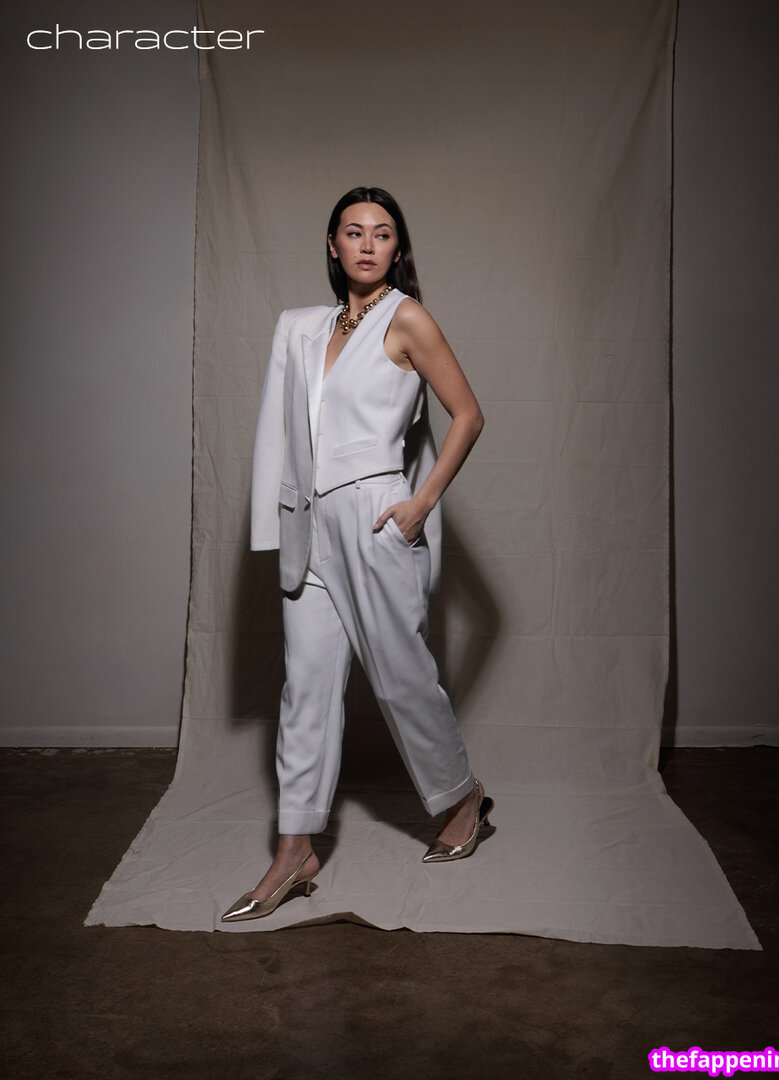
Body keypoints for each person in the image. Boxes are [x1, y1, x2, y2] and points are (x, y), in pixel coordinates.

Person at [221, 187, 493, 922]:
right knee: (304, 689)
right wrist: (276, 528)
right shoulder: (301, 327)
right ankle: (294, 851)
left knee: (401, 678)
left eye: (382, 233)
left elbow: (467, 414)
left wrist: (420, 503)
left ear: (397, 249)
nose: (367, 244)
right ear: (333, 245)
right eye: (353, 231)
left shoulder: (407, 319)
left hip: (374, 519)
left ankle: (463, 798)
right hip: (307, 526)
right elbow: (277, 432)